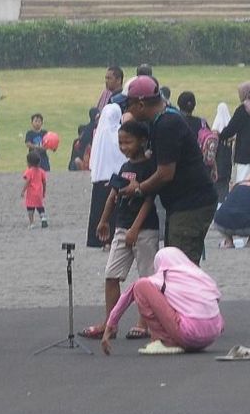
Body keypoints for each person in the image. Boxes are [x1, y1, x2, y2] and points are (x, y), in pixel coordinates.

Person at [119, 76, 217, 264]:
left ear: (140, 104)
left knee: (181, 266)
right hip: (182, 204)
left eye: (128, 104)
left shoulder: (167, 125)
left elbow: (165, 173)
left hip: (192, 204)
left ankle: (192, 294)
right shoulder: (161, 121)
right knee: (174, 260)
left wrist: (139, 188)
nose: (126, 109)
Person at [81, 120, 158, 340]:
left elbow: (149, 200)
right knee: (111, 275)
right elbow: (114, 195)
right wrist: (104, 220)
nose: (123, 147)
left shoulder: (149, 168)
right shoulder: (125, 168)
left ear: (142, 141)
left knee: (146, 279)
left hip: (144, 230)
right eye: (120, 143)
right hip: (122, 227)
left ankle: (144, 322)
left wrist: (135, 228)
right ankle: (110, 322)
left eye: (128, 142)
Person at [100, 248, 223, 356]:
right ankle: (184, 336)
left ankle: (164, 340)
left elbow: (131, 292)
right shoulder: (200, 275)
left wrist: (111, 323)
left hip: (189, 334)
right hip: (212, 335)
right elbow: (215, 298)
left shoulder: (165, 274)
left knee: (141, 285)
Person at [87, 103, 126, 248]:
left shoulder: (99, 134)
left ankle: (101, 240)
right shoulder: (119, 133)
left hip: (100, 178)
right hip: (116, 178)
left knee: (100, 209)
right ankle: (112, 240)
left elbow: (95, 158)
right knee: (115, 211)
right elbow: (122, 157)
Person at [212, 102, 234, 203]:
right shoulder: (230, 126)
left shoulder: (216, 126)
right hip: (227, 159)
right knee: (225, 182)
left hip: (218, 158)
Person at [22, 152, 49, 228]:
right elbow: (44, 182)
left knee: (30, 208)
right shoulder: (41, 171)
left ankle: (31, 223)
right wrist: (44, 191)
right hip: (39, 193)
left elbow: (27, 181)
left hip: (31, 194)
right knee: (40, 207)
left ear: (29, 163)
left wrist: (23, 191)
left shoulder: (29, 171)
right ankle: (43, 219)